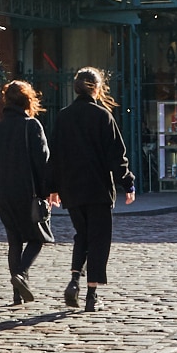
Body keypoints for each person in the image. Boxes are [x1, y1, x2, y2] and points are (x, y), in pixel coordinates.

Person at [47, 66, 135, 313]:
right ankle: (91, 295)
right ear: (97, 88)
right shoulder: (102, 116)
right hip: (97, 189)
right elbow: (116, 156)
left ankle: (74, 279)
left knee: (81, 236)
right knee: (98, 240)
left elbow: (54, 155)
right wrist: (127, 182)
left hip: (71, 188)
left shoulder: (63, 116)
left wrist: (52, 187)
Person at [0, 80, 53, 305]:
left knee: (14, 242)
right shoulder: (31, 125)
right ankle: (21, 274)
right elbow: (42, 162)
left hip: (4, 194)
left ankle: (17, 295)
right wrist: (47, 191)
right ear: (27, 100)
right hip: (27, 193)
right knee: (37, 238)